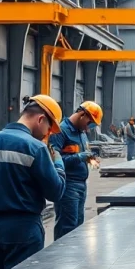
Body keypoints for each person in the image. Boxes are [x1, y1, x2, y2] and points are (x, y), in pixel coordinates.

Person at [0, 94, 66, 269]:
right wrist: (58, 164)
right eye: (48, 128)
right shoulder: (36, 148)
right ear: (40, 119)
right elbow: (56, 192)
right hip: (24, 229)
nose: (46, 134)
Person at [49, 101, 103, 241]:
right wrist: (78, 157)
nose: (88, 127)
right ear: (82, 115)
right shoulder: (60, 132)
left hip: (81, 184)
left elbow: (81, 153)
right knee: (67, 227)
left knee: (78, 226)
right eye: (89, 122)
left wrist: (90, 159)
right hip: (68, 185)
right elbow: (54, 159)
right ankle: (62, 259)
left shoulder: (81, 133)